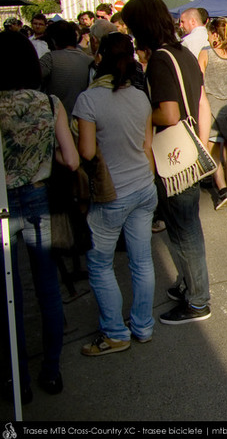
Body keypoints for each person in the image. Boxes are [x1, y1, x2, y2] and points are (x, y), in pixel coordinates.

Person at [121, 0, 213, 324]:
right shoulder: (183, 53)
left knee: (182, 229)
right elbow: (202, 105)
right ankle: (190, 285)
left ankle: (198, 299)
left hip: (171, 154)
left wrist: (140, 114)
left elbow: (170, 113)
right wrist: (202, 149)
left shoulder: (160, 59)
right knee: (187, 226)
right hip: (188, 152)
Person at [0, 31, 79, 401]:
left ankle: (18, 380)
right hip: (38, 198)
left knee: (9, 296)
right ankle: (52, 370)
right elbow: (73, 159)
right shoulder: (49, 104)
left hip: (1, 207)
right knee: (47, 289)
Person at [73, 33, 157, 355]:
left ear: (100, 58)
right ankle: (143, 326)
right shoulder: (139, 96)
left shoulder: (89, 100)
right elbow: (147, 147)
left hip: (112, 195)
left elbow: (87, 151)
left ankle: (115, 333)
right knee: (142, 261)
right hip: (143, 187)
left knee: (99, 264)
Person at [197, 17, 227, 210]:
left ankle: (223, 190)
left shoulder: (205, 54)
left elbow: (199, 81)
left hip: (212, 107)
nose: (209, 38)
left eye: (209, 34)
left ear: (215, 34)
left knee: (213, 152)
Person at [39, 20, 94, 116]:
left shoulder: (50, 59)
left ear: (53, 40)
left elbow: (30, 79)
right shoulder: (89, 60)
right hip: (83, 118)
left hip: (57, 118)